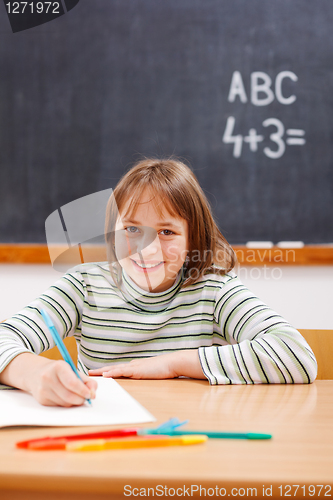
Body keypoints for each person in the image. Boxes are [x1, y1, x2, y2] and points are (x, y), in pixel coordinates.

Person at [0, 158, 317, 406]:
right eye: (133, 230)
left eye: (167, 232)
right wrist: (33, 373)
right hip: (103, 437)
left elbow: (297, 356)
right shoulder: (83, 287)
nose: (147, 248)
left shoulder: (214, 291)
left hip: (192, 439)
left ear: (193, 239)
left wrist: (173, 364)